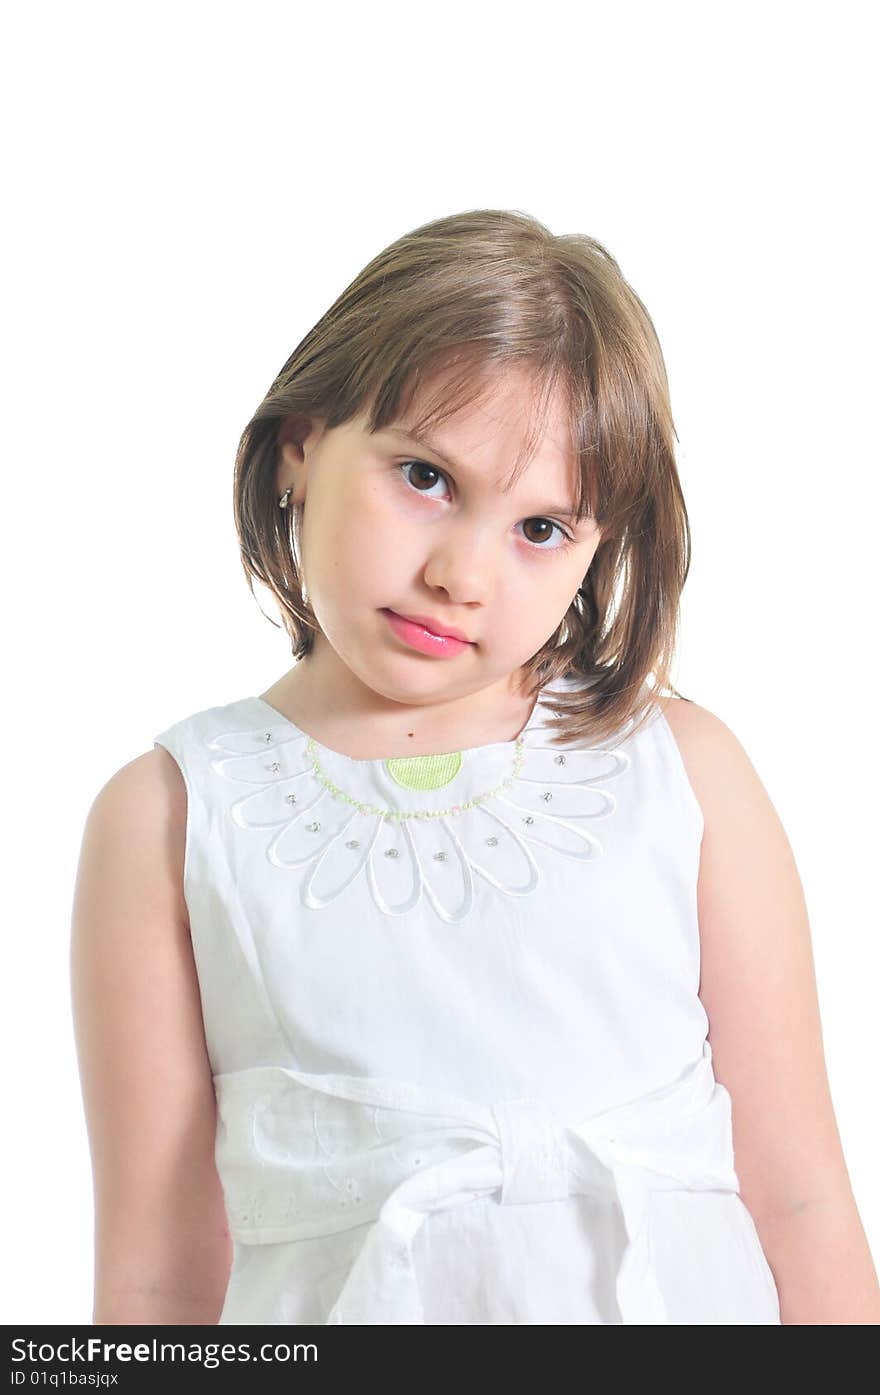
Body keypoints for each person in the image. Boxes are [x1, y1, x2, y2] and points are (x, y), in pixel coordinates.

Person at [70, 208, 880, 1326]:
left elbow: (800, 1201)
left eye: (541, 530)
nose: (462, 574)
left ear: (600, 552)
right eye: (425, 476)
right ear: (301, 443)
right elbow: (156, 1272)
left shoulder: (682, 774)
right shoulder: (173, 816)